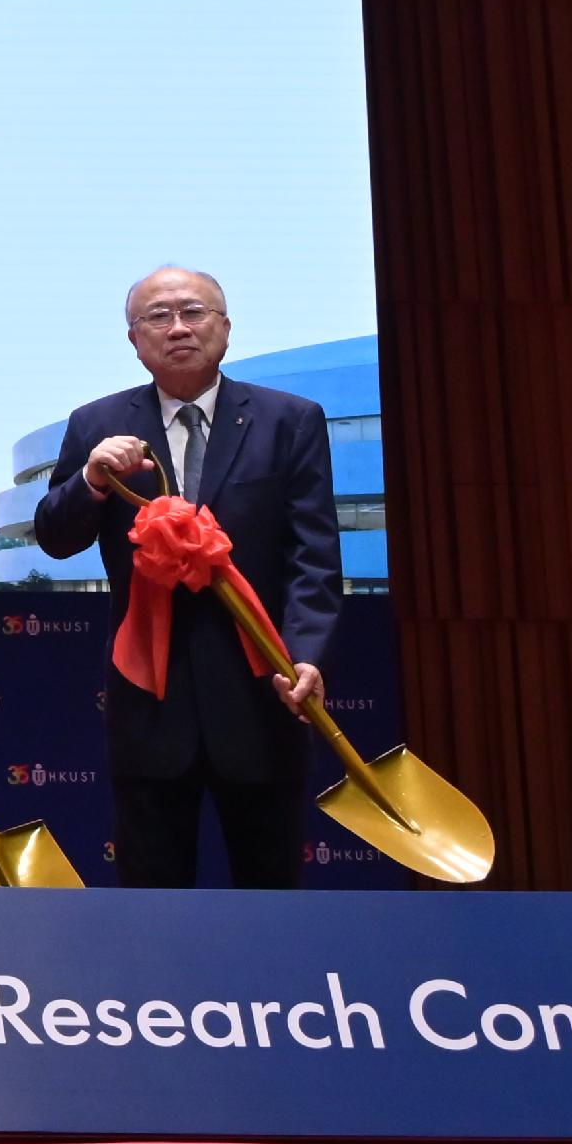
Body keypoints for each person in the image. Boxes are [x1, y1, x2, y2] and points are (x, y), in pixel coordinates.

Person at [30, 267, 342, 889]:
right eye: (158, 317)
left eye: (194, 313)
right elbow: (56, 541)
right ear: (133, 339)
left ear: (225, 327)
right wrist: (90, 482)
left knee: (271, 896)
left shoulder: (291, 420)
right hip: (150, 701)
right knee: (152, 899)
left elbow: (313, 556)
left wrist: (305, 654)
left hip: (262, 693)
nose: (178, 328)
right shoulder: (95, 424)